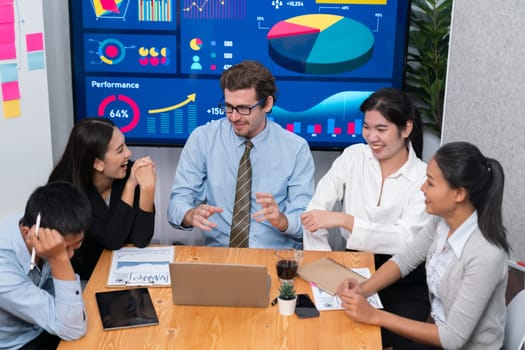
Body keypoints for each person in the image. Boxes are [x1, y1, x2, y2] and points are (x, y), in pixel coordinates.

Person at [337, 141, 510, 349]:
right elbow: (404, 260)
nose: (422, 188)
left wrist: (374, 315)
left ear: (459, 194)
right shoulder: (441, 222)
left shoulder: (486, 254)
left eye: (430, 183)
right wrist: (363, 289)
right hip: (438, 331)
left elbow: (451, 339)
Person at [301, 88, 435, 347]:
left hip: (403, 277)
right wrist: (322, 265)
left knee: (377, 338)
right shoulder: (353, 157)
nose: (371, 137)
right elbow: (314, 213)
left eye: (381, 129)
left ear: (406, 129)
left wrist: (345, 221)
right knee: (328, 331)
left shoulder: (423, 176)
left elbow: (406, 240)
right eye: (366, 127)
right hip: (351, 266)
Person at [168, 60, 315, 248]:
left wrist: (283, 221)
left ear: (268, 104)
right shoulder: (202, 139)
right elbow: (176, 204)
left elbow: (306, 222)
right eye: (228, 106)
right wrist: (189, 214)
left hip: (275, 258)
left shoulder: (296, 148)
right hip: (219, 257)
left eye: (244, 109)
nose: (234, 117)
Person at [48, 118, 156, 280]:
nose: (129, 153)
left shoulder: (127, 171)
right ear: (98, 164)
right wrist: (130, 187)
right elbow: (112, 239)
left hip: (124, 276)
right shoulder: (66, 190)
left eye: (125, 145)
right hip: (81, 278)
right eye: (120, 150)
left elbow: (141, 240)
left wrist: (148, 189)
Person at [0, 181, 92, 350]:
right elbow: (72, 329)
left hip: (46, 326)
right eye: (65, 249)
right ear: (28, 234)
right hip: (18, 344)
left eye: (76, 245)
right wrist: (58, 259)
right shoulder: (3, 266)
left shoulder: (45, 226)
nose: (70, 255)